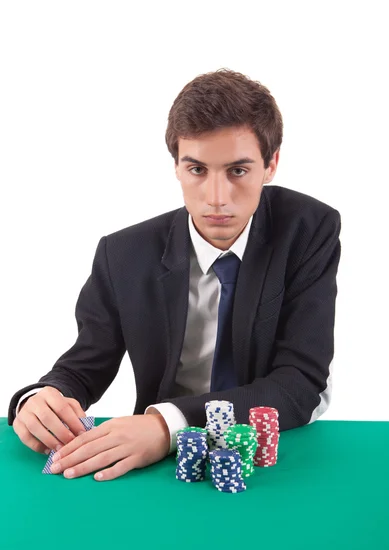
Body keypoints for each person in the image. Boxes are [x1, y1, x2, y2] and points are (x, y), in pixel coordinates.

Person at [8, 68, 341, 482]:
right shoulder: (123, 254)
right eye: (197, 169)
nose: (216, 198)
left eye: (238, 171)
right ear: (177, 167)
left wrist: (167, 424)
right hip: (159, 463)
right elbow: (84, 367)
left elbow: (300, 383)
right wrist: (42, 399)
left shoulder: (309, 229)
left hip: (272, 460)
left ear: (270, 165)